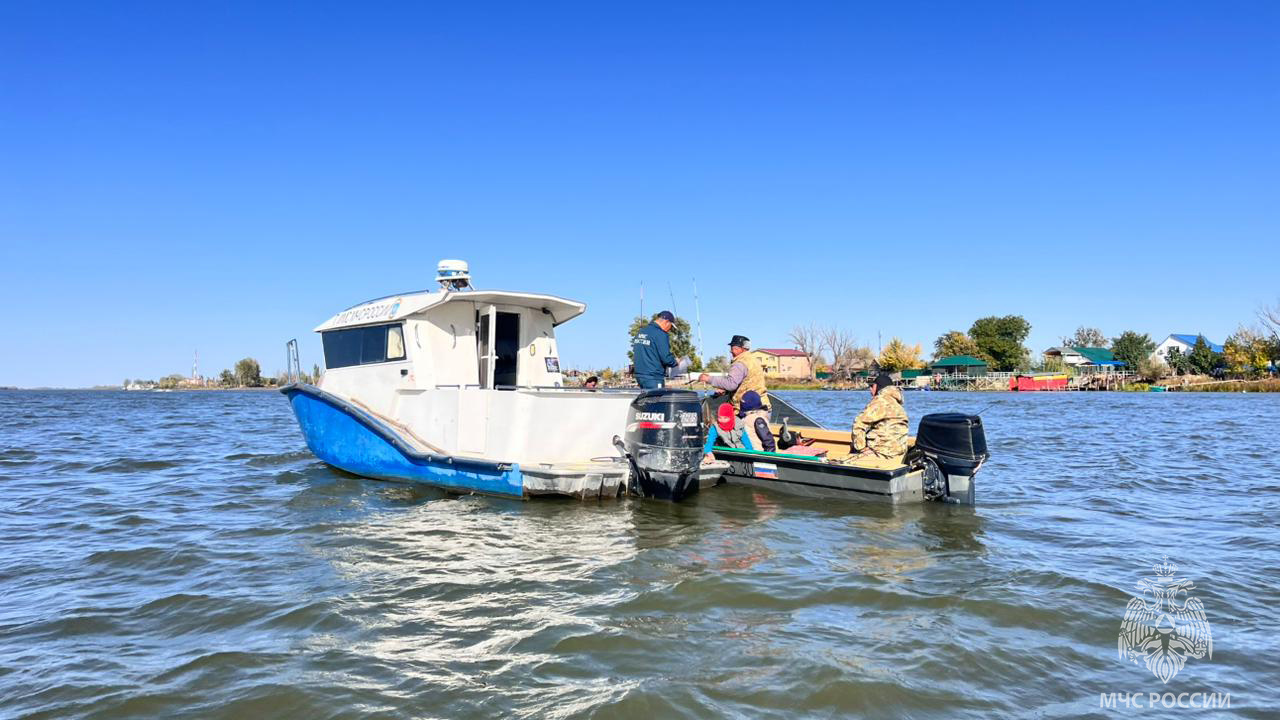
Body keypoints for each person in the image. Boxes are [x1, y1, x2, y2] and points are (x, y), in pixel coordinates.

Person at [698, 335, 769, 412]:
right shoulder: (754, 360)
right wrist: (726, 391)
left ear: (741, 348)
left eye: (733, 348)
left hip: (748, 410)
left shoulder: (740, 363)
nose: (731, 351)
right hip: (763, 406)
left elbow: (731, 384)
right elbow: (748, 383)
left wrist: (708, 379)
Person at [849, 373, 909, 465]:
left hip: (881, 452)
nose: (870, 389)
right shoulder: (898, 404)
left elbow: (858, 423)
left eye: (872, 386)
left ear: (878, 387)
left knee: (847, 460)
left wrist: (861, 448)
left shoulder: (880, 401)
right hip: (898, 453)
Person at [631, 311, 679, 390]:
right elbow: (666, 358)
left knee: (645, 398)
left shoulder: (641, 332)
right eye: (671, 326)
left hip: (640, 376)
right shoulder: (661, 334)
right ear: (667, 322)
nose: (670, 329)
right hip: (654, 377)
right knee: (656, 398)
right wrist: (676, 362)